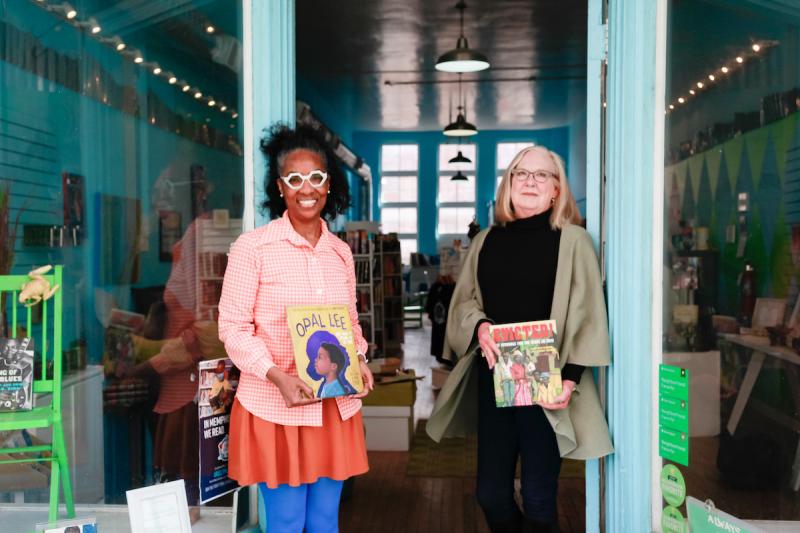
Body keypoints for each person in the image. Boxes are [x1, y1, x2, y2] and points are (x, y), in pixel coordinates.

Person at [427, 145, 613, 533]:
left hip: (547, 383)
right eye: (520, 173)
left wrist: (570, 378)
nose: (530, 181)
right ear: (508, 185)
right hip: (495, 378)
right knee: (490, 494)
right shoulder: (485, 242)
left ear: (557, 190)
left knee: (539, 497)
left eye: (541, 175)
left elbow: (588, 312)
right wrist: (480, 326)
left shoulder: (573, 240)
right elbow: (464, 304)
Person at [218, 123, 374, 533]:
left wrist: (358, 357)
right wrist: (276, 376)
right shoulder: (252, 248)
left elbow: (350, 322)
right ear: (281, 187)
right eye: (295, 179)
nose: (307, 188)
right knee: (286, 522)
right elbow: (232, 328)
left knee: (325, 522)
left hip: (333, 407)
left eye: (316, 178)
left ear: (328, 184)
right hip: (275, 408)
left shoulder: (340, 253)